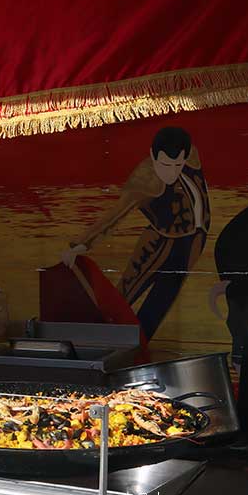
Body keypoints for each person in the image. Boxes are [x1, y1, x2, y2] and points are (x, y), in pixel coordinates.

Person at [60, 127, 210, 341]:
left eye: (178, 165)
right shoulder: (144, 181)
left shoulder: (190, 153)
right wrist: (79, 245)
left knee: (160, 303)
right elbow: (114, 216)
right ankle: (92, 342)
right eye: (165, 165)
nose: (171, 173)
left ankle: (137, 348)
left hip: (191, 244)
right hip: (159, 243)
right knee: (124, 296)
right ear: (152, 155)